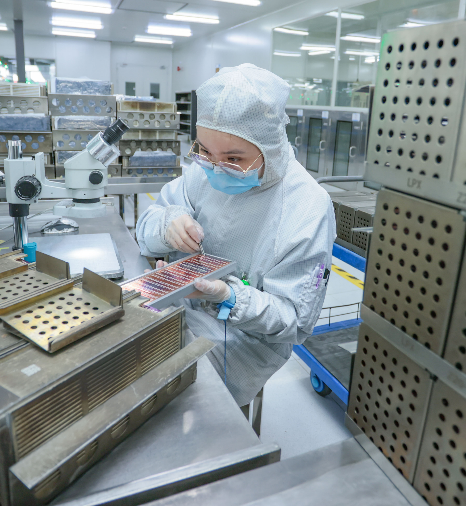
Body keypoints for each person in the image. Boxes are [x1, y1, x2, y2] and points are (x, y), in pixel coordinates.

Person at [136, 63, 336, 408]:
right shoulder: (203, 172)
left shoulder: (307, 208)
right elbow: (148, 224)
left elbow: (294, 321)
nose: (216, 168)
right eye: (205, 151)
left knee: (168, 402)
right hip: (178, 307)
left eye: (233, 158)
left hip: (244, 341)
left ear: (270, 147)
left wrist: (229, 296)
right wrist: (167, 225)